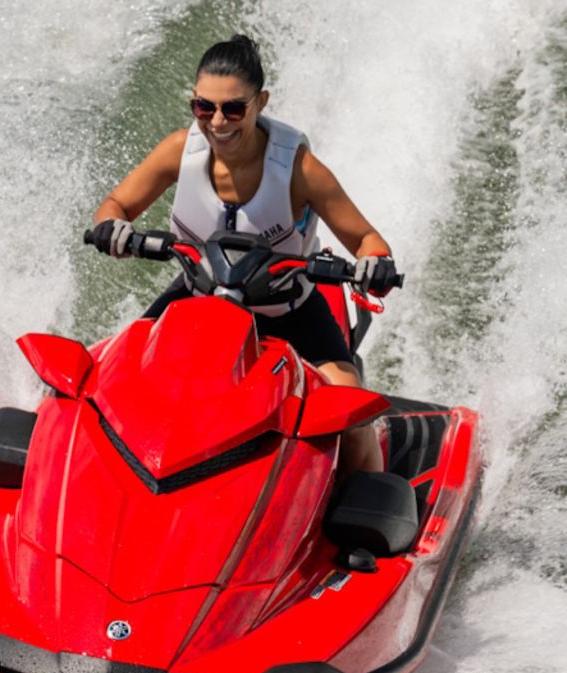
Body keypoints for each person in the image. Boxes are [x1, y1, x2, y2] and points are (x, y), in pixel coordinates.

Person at [90, 34, 396, 476]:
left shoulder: (299, 169)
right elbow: (116, 204)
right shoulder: (179, 151)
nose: (217, 122)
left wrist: (375, 264)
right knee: (106, 383)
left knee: (350, 418)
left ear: (260, 103)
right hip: (195, 304)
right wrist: (113, 228)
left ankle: (367, 507)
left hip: (289, 313)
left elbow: (366, 238)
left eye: (233, 109)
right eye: (203, 107)